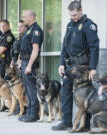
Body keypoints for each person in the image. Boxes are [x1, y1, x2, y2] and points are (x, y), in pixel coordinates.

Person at [52, 1, 99, 131]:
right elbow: (64, 46)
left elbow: (94, 48)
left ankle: (85, 125)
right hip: (71, 66)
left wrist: (93, 68)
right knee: (65, 91)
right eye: (71, 15)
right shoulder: (69, 25)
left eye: (75, 15)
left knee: (86, 95)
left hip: (84, 67)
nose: (74, 17)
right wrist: (61, 63)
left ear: (81, 10)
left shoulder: (89, 25)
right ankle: (66, 121)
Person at [18, 9, 43, 122]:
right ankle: (29, 112)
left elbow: (35, 50)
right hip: (24, 62)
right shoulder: (29, 30)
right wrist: (20, 62)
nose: (23, 18)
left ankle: (34, 114)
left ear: (31, 17)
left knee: (32, 89)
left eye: (24, 16)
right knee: (27, 89)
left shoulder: (36, 30)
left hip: (29, 63)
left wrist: (29, 65)